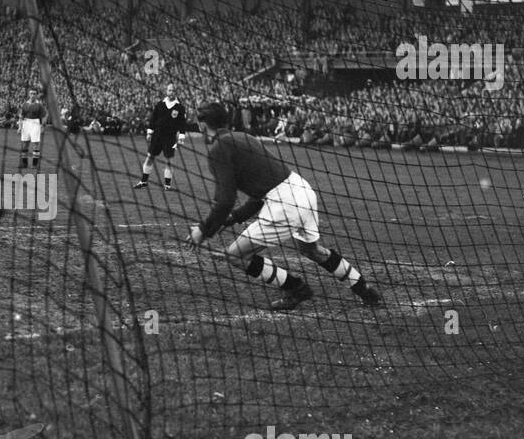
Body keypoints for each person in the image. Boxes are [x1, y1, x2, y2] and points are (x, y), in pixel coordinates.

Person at [186, 101, 382, 312]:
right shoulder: (245, 137)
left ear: (203, 124)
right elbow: (260, 193)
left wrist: (203, 230)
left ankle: (296, 289)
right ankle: (364, 288)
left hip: (285, 202)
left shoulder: (219, 148)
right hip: (301, 190)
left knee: (235, 255)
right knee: (311, 249)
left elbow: (224, 200)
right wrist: (233, 218)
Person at [134, 83, 187, 191]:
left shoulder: (180, 107)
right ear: (166, 91)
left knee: (169, 161)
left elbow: (182, 123)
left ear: (176, 92)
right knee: (150, 157)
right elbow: (153, 119)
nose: (171, 92)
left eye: (173, 90)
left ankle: (167, 185)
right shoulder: (160, 104)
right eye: (169, 90)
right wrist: (149, 132)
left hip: (170, 138)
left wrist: (181, 137)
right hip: (157, 135)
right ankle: (143, 181)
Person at [18, 87, 45, 169]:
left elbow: (43, 117)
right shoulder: (24, 104)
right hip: (26, 123)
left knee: (35, 144)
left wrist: (42, 126)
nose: (32, 95)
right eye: (31, 93)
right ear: (29, 94)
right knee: (25, 144)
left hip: (35, 123)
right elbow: (21, 117)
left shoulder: (39, 105)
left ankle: (35, 164)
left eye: (34, 94)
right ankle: (24, 164)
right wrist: (19, 127)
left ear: (36, 95)